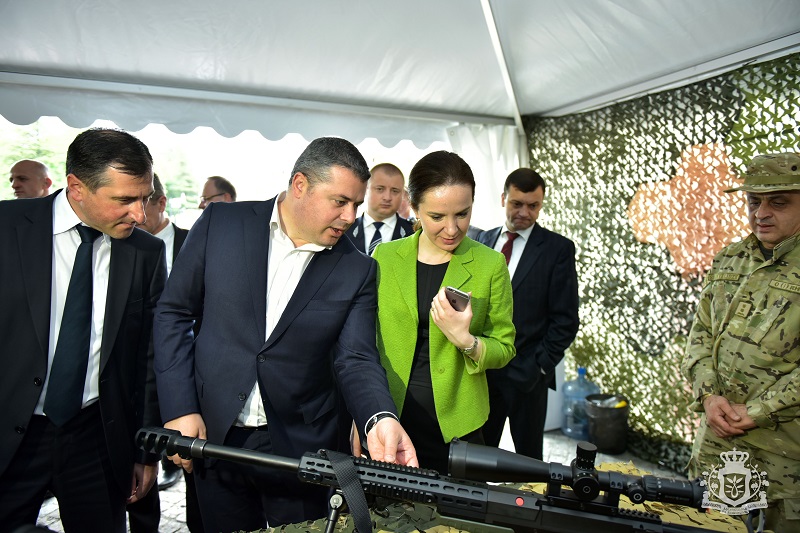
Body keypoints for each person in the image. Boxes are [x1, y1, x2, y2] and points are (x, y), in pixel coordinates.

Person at [154, 137, 417, 533]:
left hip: (303, 449)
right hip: (215, 434)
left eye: (356, 205)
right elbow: (174, 313)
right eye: (340, 201)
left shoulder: (357, 268)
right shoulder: (221, 224)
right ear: (300, 185)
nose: (350, 216)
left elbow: (356, 359)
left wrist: (379, 418)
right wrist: (179, 407)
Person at [0, 128, 167, 533]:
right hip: (10, 435)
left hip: (97, 438)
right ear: (76, 187)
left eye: (144, 198)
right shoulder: (6, 227)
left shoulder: (146, 252)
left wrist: (145, 452)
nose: (140, 215)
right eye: (124, 200)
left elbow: (149, 358)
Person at [369, 151, 516, 474]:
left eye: (462, 214)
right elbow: (364, 344)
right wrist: (363, 413)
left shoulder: (490, 264)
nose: (452, 229)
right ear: (413, 207)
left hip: (459, 424)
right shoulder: (385, 257)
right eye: (437, 216)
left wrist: (467, 341)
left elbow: (505, 347)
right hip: (391, 419)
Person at [682, 152, 800, 532]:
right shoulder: (730, 259)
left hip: (789, 454)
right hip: (723, 448)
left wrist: (758, 411)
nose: (761, 213)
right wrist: (708, 396)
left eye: (778, 202)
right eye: (753, 201)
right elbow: (700, 336)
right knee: (715, 528)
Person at [476, 168, 580, 460]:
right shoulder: (482, 240)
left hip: (528, 376)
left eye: (533, 206)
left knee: (529, 463)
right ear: (503, 199)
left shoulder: (557, 249)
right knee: (477, 457)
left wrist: (539, 367)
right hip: (481, 373)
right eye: (517, 203)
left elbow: (566, 320)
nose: (524, 212)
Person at [132, 173, 202, 533]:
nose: (135, 213)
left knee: (194, 477)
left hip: (187, 377)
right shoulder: (124, 246)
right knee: (137, 473)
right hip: (140, 378)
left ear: (161, 202)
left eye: (142, 202)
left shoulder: (195, 241)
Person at [345, 163, 413, 254]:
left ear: (403, 194)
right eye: (380, 189)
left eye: (395, 191)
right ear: (365, 189)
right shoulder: (345, 229)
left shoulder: (413, 232)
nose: (387, 197)